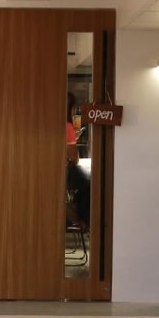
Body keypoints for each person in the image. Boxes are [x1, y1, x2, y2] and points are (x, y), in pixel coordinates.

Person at [66, 92, 90, 227]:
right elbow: (74, 158)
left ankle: (76, 218)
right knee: (88, 187)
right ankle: (82, 221)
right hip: (65, 172)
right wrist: (73, 140)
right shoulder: (68, 127)